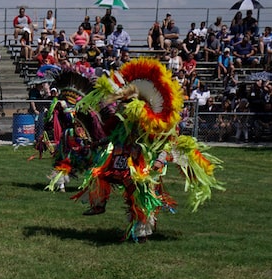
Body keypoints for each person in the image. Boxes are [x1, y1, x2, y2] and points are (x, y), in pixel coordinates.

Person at [42, 59, 222, 241]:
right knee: (100, 175)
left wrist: (159, 160)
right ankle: (99, 204)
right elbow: (114, 136)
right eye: (123, 103)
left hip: (142, 164)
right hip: (121, 159)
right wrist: (98, 144)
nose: (123, 106)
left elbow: (166, 143)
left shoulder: (152, 123)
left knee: (141, 195)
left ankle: (142, 230)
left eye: (127, 103)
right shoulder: (124, 120)